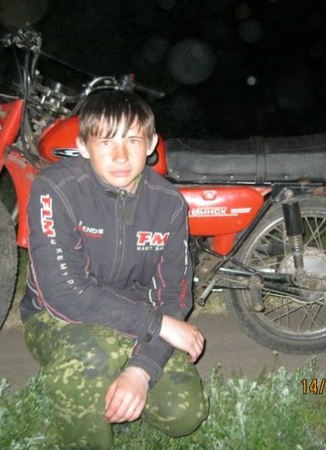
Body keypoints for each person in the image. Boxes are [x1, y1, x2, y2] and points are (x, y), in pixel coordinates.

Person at [20, 90, 209, 449]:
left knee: (184, 413)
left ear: (150, 144)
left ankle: (116, 380)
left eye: (133, 140)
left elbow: (174, 295)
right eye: (106, 141)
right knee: (92, 355)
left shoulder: (169, 204)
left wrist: (141, 370)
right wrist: (158, 325)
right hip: (56, 316)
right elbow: (64, 293)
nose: (120, 156)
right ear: (83, 145)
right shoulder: (55, 189)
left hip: (138, 314)